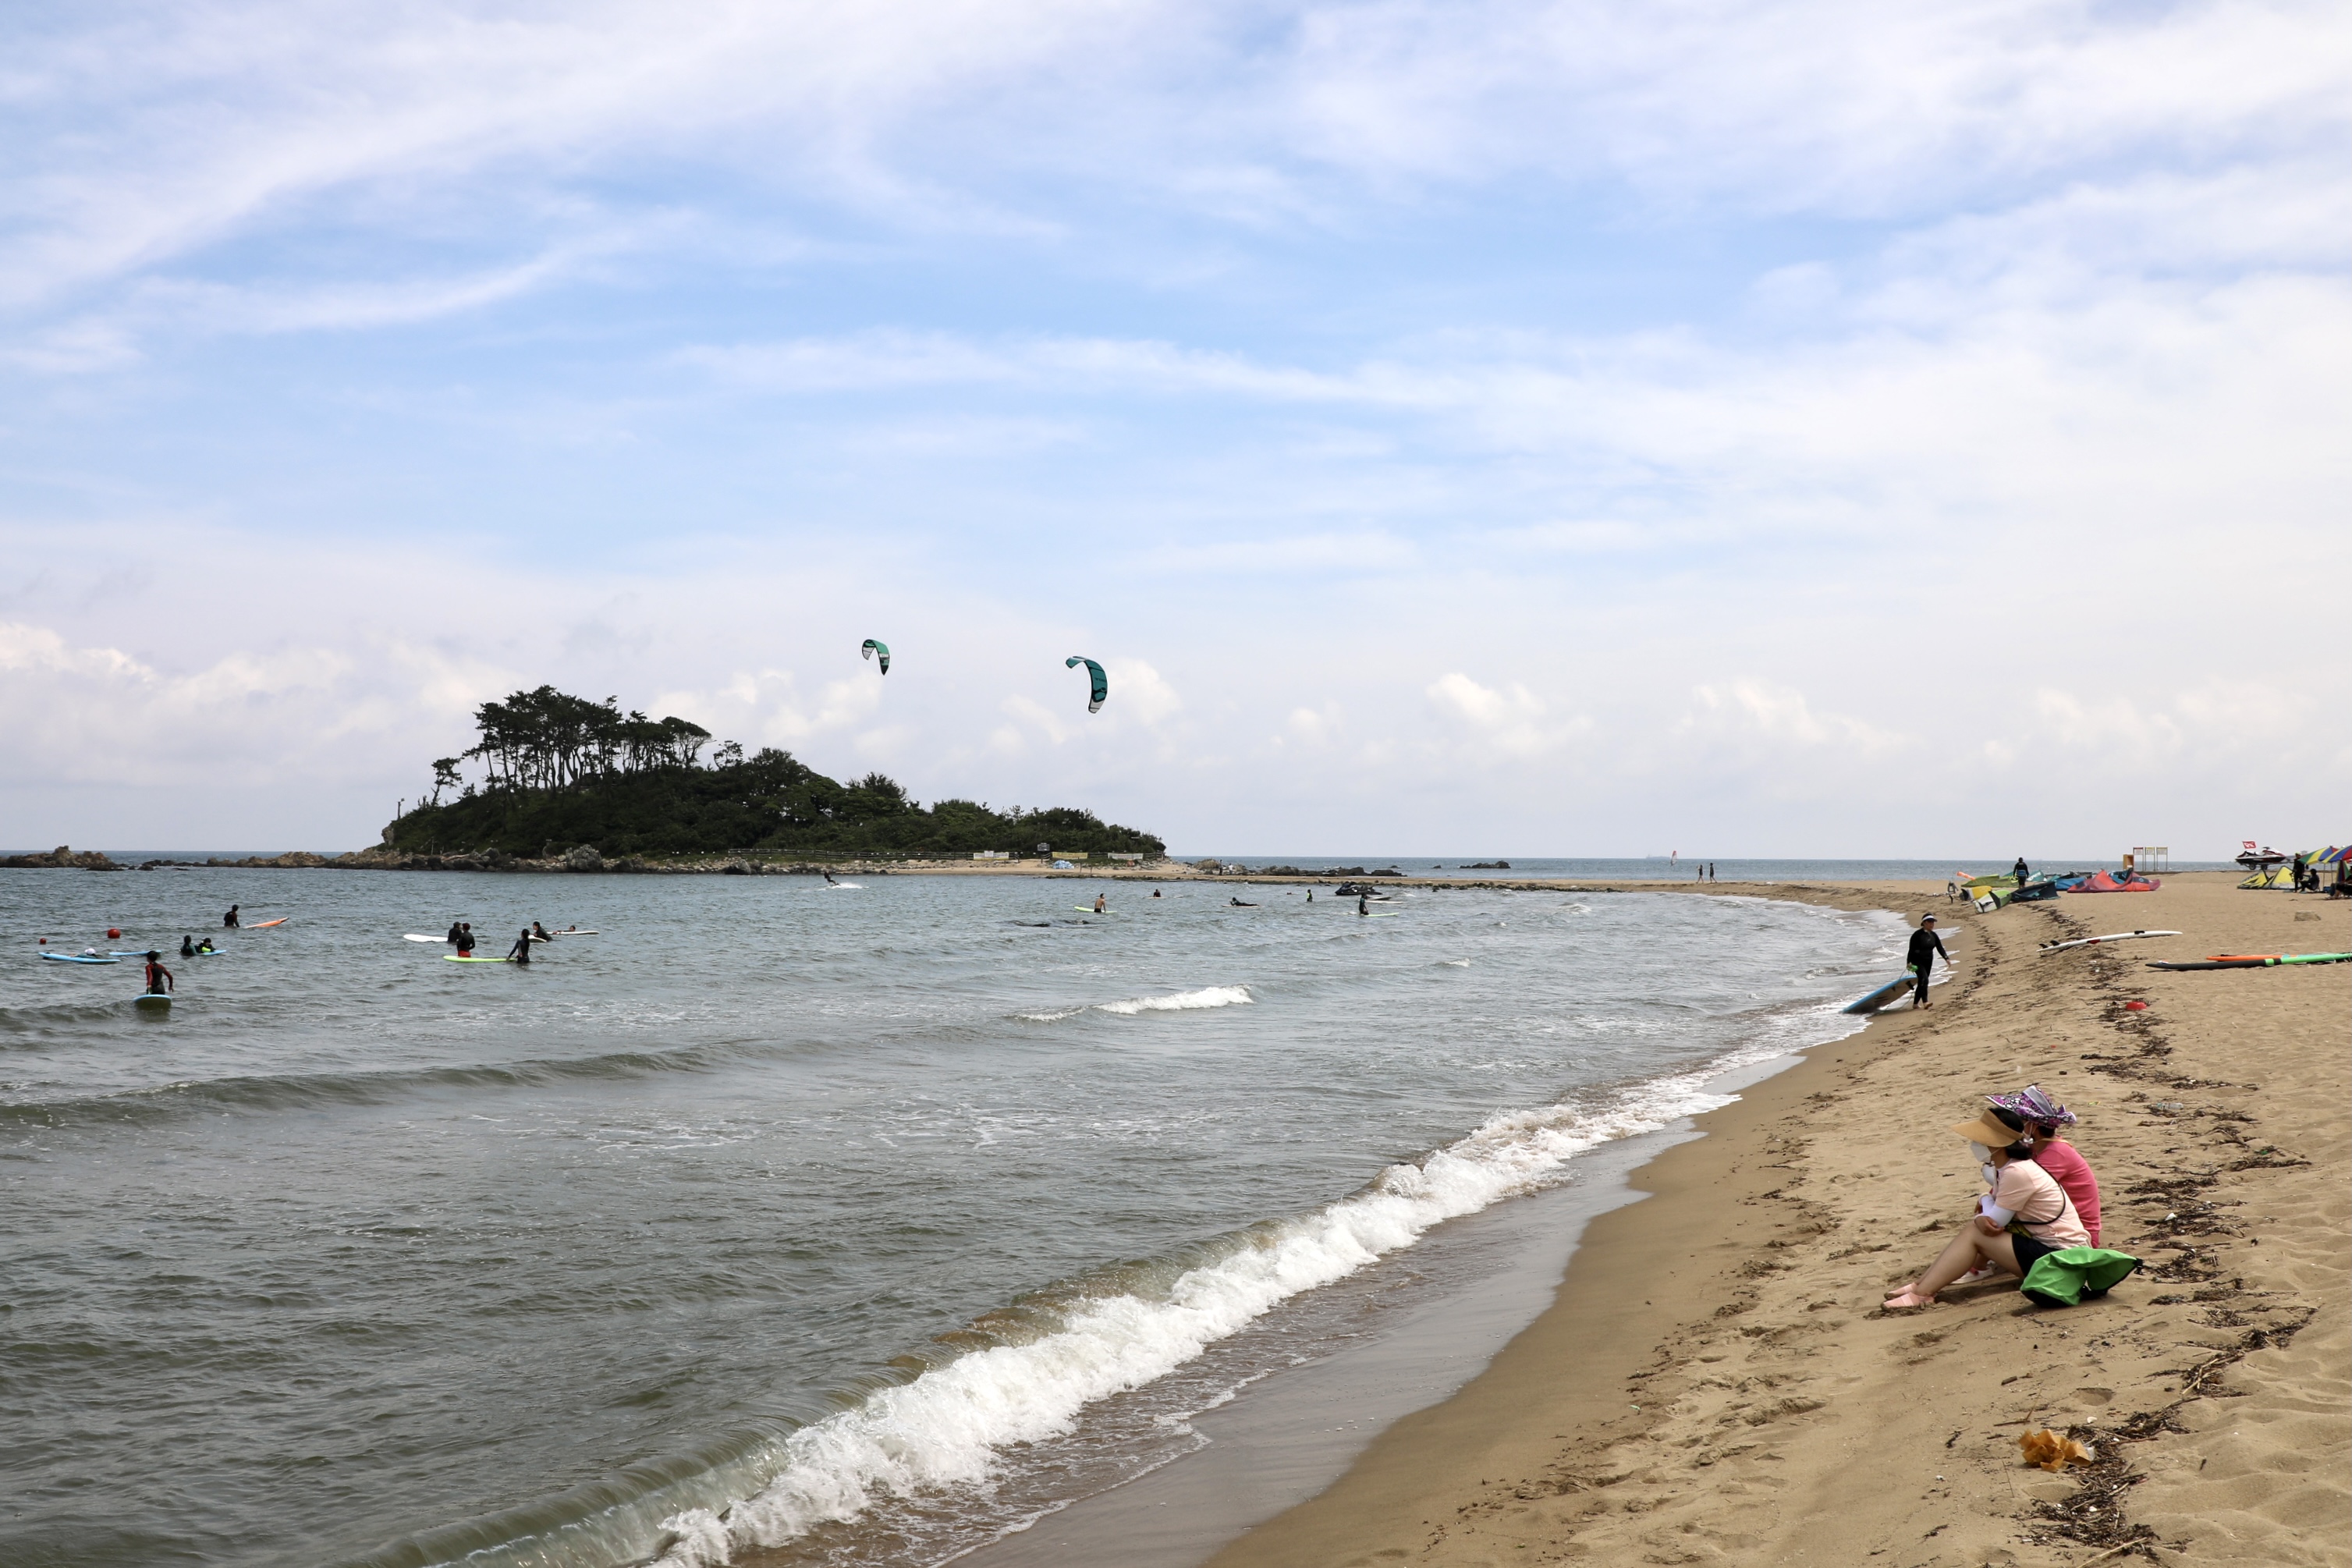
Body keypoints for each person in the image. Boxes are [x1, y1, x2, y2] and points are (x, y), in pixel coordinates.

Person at [1883, 1109, 2089, 1310]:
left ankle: (1922, 1293)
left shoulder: (2018, 1172)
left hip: (2065, 1261)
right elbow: (1992, 1209)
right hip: (2052, 1252)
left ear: (1996, 1143)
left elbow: (1993, 1224)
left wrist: (1983, 1208)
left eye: (1980, 1140)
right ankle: (1921, 1286)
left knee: (1975, 1233)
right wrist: (1985, 1202)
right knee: (1975, 1228)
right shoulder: (2008, 1168)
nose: (1975, 1144)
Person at [1988, 1087, 2102, 1246]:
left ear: (2032, 1125)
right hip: (2058, 1227)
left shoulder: (2056, 1153)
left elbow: (2018, 1187)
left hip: (2075, 1234)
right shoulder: (2041, 1148)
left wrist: (1987, 1199)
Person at [1906, 913, 1949, 1007]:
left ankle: (1915, 1004)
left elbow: (1940, 948)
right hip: (1916, 961)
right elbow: (1911, 950)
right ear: (1924, 923)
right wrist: (1908, 964)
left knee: (1922, 981)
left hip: (1928, 961)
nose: (1932, 924)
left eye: (1933, 922)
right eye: (1929, 922)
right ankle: (1925, 1002)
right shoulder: (1917, 935)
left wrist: (1946, 958)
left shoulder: (1934, 935)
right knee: (1924, 980)